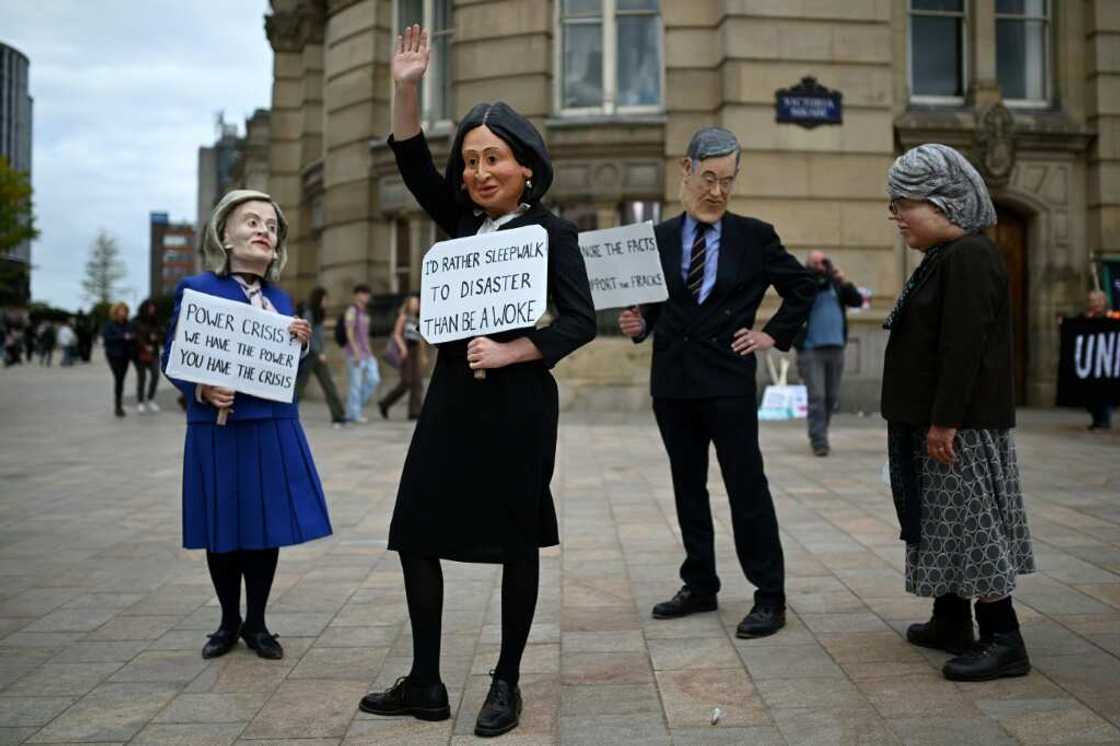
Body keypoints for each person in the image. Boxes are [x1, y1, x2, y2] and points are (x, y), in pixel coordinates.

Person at [359, 26, 596, 738]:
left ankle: (505, 683)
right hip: (452, 401)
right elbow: (409, 161)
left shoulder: (553, 234)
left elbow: (580, 321)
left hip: (518, 405)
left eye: (494, 157)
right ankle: (427, 681)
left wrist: (515, 350)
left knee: (516, 541)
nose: (479, 171)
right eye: (470, 160)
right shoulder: (460, 222)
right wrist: (406, 86)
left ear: (527, 166)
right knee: (415, 531)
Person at [617, 126, 815, 639]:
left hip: (728, 383)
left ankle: (770, 596)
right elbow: (652, 312)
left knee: (746, 487)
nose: (718, 192)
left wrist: (772, 336)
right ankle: (700, 583)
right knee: (687, 487)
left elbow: (802, 288)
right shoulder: (656, 238)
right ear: (686, 171)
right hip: (673, 385)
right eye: (709, 178)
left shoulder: (755, 236)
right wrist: (641, 326)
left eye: (728, 181)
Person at [883, 144, 1036, 681]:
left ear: (945, 203)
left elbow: (963, 346)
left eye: (906, 203)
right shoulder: (944, 257)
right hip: (941, 421)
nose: (897, 214)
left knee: (973, 524)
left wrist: (944, 419)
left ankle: (1003, 637)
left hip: (960, 426)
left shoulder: (969, 256)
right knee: (940, 522)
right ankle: (951, 618)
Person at [161, 189, 333, 662]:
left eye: (272, 226)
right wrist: (200, 389)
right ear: (225, 234)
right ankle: (227, 620)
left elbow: (281, 371)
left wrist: (299, 345)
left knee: (264, 528)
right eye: (251, 221)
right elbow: (171, 355)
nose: (263, 230)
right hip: (218, 428)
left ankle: (257, 622)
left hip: (272, 426)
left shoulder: (281, 298)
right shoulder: (197, 288)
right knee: (224, 527)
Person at [793, 251, 864, 456]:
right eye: (815, 263)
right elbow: (807, 291)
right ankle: (819, 440)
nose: (819, 266)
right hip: (811, 349)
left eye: (823, 262)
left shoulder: (836, 285)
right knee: (817, 396)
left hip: (836, 348)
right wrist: (817, 276)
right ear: (807, 265)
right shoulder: (803, 283)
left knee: (830, 397)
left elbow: (857, 301)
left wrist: (843, 281)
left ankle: (821, 431)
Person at [294, 285, 347, 428]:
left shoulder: (318, 312)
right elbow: (309, 334)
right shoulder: (309, 312)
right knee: (300, 386)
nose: (326, 302)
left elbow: (320, 335)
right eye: (325, 298)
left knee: (327, 384)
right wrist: (319, 352)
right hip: (311, 354)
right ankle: (289, 413)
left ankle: (339, 416)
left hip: (316, 354)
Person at [378, 294, 426, 420]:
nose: (416, 305)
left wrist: (423, 355)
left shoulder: (419, 319)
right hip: (406, 350)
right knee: (406, 381)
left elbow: (421, 340)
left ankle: (414, 412)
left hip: (415, 351)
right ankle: (385, 403)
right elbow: (396, 334)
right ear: (408, 304)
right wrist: (403, 348)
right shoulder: (403, 317)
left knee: (417, 382)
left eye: (418, 303)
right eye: (414, 302)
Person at [343, 283, 380, 423]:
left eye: (367, 293)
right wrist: (356, 350)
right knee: (355, 385)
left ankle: (354, 408)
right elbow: (349, 332)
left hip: (367, 353)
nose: (366, 296)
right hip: (355, 353)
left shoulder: (364, 312)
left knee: (374, 379)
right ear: (356, 295)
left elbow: (365, 335)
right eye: (363, 293)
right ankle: (354, 413)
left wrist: (369, 351)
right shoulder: (352, 311)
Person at [1082, 289, 1115, 430]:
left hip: (1107, 362)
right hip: (1090, 363)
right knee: (1091, 394)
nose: (1094, 303)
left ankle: (1104, 420)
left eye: (1097, 300)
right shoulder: (1085, 319)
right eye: (1091, 300)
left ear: (1103, 302)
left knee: (1105, 393)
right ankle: (1096, 419)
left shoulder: (1111, 316)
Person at [102, 304, 134, 417]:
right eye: (121, 310)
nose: (123, 313)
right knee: (118, 377)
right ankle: (118, 406)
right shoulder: (109, 325)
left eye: (125, 310)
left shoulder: (129, 325)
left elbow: (132, 336)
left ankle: (119, 405)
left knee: (121, 379)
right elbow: (107, 339)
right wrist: (123, 337)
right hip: (113, 356)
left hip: (125, 356)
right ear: (115, 312)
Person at [132, 299, 163, 413]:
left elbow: (161, 333)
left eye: (153, 307)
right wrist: (144, 346)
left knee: (155, 375)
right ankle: (140, 402)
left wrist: (157, 337)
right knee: (142, 377)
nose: (152, 309)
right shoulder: (136, 321)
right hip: (139, 353)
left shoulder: (155, 320)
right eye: (150, 307)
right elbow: (135, 336)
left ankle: (150, 399)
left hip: (153, 353)